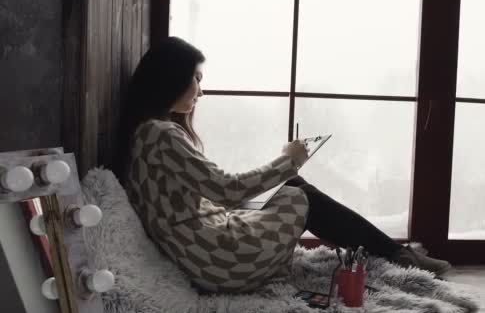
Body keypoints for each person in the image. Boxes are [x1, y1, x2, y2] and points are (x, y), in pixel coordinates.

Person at [112, 37, 450, 293]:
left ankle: (398, 253)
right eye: (196, 79)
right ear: (172, 78)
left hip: (202, 253)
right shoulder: (162, 135)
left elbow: (208, 194)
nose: (201, 90)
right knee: (301, 195)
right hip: (220, 261)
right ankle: (399, 255)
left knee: (291, 189)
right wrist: (289, 160)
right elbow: (227, 190)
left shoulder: (145, 132)